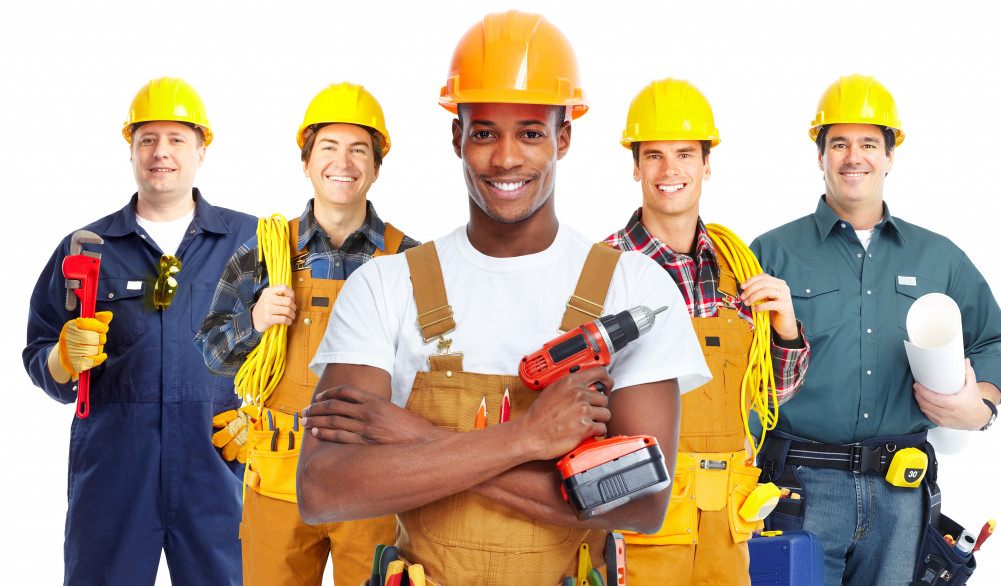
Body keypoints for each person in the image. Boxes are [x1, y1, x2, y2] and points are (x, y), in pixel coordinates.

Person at [294, 10, 711, 585]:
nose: (506, 157)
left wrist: (413, 437)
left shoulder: (631, 286)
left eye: (531, 132)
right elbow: (323, 488)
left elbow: (640, 504)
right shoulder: (386, 286)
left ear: (563, 137)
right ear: (456, 136)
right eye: (485, 131)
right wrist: (526, 439)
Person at [751, 74, 1001, 584]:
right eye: (839, 143)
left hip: (901, 491)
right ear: (821, 154)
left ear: (891, 155)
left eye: (869, 143)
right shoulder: (771, 253)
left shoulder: (940, 258)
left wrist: (978, 406)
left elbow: (991, 342)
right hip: (796, 488)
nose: (855, 156)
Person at [23, 77, 257, 585]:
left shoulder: (253, 242)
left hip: (220, 468)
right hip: (112, 472)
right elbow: (38, 350)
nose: (161, 153)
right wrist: (62, 360)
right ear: (130, 149)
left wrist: (270, 415)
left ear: (201, 149)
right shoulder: (85, 247)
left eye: (176, 139)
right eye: (147, 139)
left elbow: (299, 345)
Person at [194, 82, 418, 585]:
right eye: (329, 147)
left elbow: (438, 372)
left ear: (377, 166)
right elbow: (211, 351)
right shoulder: (266, 253)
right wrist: (253, 322)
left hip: (372, 479)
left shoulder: (410, 262)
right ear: (307, 161)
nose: (344, 162)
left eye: (360, 149)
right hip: (278, 476)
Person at [604, 78, 809, 585]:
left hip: (728, 522)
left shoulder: (738, 271)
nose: (670, 170)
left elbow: (770, 393)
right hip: (641, 518)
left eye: (685, 154)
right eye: (653, 155)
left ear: (707, 164)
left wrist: (784, 328)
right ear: (635, 167)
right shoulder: (603, 270)